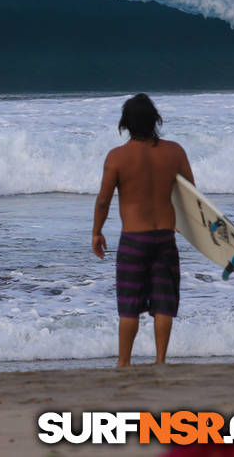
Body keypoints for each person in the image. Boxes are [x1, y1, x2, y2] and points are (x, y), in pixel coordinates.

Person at [92, 93, 194, 367]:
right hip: (164, 236)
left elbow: (103, 199)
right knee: (164, 304)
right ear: (155, 120)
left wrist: (97, 232)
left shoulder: (117, 157)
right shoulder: (175, 152)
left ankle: (124, 363)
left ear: (125, 124)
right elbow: (191, 196)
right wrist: (190, 227)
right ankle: (160, 361)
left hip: (133, 240)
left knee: (129, 306)